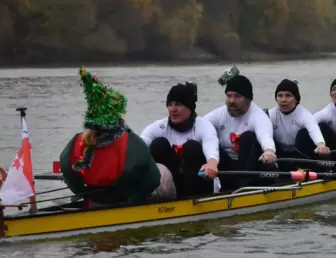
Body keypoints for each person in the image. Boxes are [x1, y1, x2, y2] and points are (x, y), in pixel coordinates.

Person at [59, 67, 173, 208]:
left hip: (94, 202)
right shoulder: (131, 142)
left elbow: (69, 175)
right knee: (163, 170)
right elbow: (153, 180)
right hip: (128, 203)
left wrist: (85, 195)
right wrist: (134, 199)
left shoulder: (75, 142)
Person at [140, 82, 220, 197]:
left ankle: (189, 199)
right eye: (170, 104)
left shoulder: (204, 126)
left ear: (190, 107)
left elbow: (211, 145)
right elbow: (141, 144)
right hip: (172, 187)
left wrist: (212, 163)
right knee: (159, 144)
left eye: (178, 104)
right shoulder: (159, 127)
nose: (173, 109)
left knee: (191, 147)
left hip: (200, 186)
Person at [204, 71, 277, 191]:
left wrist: (269, 151)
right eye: (229, 96)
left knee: (247, 137)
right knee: (204, 141)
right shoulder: (218, 114)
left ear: (248, 99)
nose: (232, 100)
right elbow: (199, 128)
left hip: (254, 169)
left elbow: (265, 136)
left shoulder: (258, 117)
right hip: (229, 169)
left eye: (237, 96)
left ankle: (244, 189)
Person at [268, 79, 330, 172]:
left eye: (288, 96)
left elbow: (313, 129)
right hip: (283, 155)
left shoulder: (304, 114)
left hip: (301, 154)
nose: (283, 100)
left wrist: (320, 145)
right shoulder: (270, 114)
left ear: (296, 99)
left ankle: (316, 169)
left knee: (303, 133)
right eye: (280, 96)